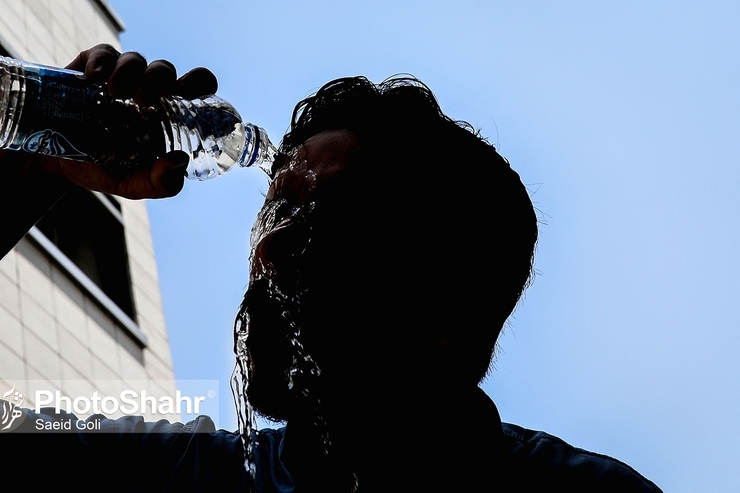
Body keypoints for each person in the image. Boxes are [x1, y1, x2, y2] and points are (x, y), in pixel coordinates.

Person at [0, 45, 662, 492]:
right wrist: (27, 170)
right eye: (279, 210)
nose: (272, 248)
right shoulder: (174, 473)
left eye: (334, 217)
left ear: (453, 306)